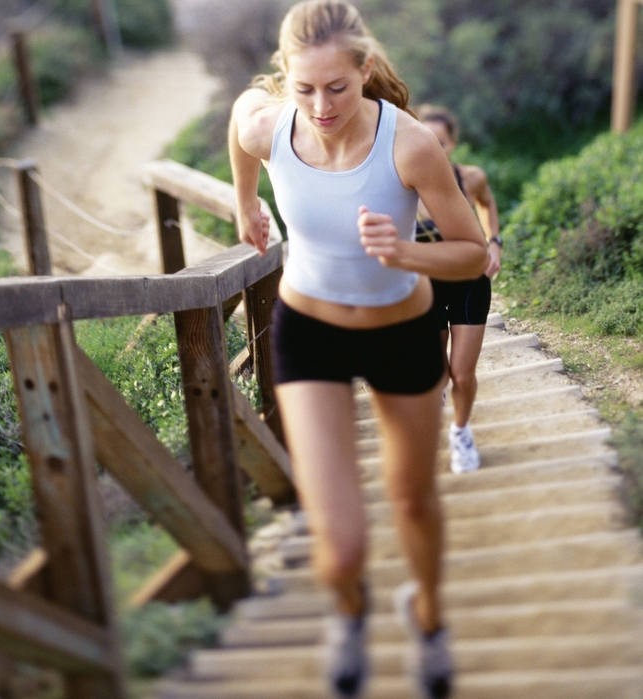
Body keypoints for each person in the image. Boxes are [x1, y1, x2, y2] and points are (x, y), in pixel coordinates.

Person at [228, 3, 488, 697]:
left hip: (401, 332)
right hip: (307, 332)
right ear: (287, 79)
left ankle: (428, 619)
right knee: (338, 547)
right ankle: (350, 610)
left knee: (411, 500)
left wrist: (404, 252)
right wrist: (244, 199)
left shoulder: (408, 146)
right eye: (304, 89)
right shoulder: (269, 127)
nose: (320, 106)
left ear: (364, 71)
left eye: (336, 88)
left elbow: (472, 257)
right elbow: (239, 116)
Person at [414, 104, 502, 475]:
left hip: (469, 282)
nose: (433, 145)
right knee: (436, 374)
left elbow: (487, 202)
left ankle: (461, 433)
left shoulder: (470, 178)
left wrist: (494, 241)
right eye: (426, 138)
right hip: (425, 285)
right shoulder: (405, 183)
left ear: (451, 143)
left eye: (441, 140)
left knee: (462, 373)